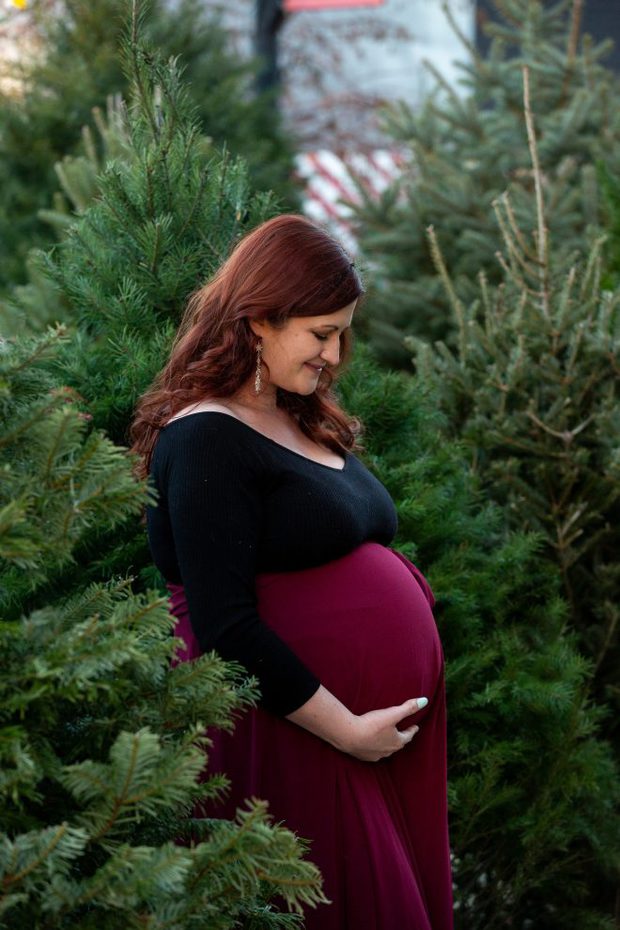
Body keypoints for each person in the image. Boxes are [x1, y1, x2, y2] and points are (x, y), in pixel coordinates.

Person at [130, 214, 453, 930]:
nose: (335, 354)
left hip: (357, 734)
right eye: (320, 333)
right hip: (291, 730)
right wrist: (345, 731)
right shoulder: (206, 435)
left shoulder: (295, 415)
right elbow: (225, 625)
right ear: (257, 323)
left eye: (343, 332)